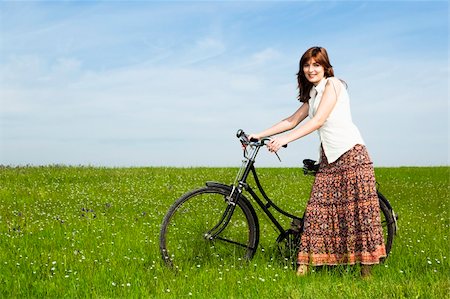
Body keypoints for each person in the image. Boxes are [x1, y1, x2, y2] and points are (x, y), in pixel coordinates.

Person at [249, 46, 386, 277]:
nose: (311, 69)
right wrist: (260, 134)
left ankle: (366, 273)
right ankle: (303, 271)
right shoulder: (313, 94)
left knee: (357, 214)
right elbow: (292, 120)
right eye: (306, 65)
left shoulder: (334, 85)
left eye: (316, 64)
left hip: (351, 154)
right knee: (316, 214)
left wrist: (284, 141)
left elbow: (319, 120)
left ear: (325, 67)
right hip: (329, 159)